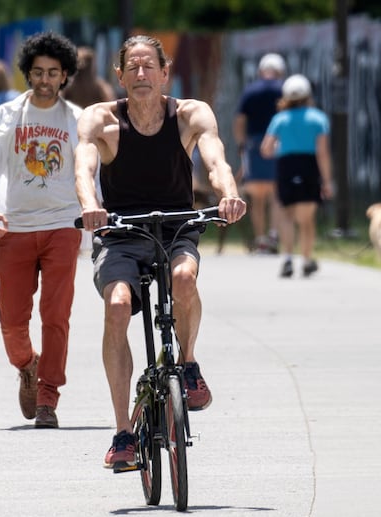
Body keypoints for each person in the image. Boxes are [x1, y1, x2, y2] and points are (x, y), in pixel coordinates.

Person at [75, 35, 246, 471]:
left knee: (184, 278)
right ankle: (122, 434)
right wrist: (90, 206)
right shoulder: (102, 119)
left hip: (176, 228)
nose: (141, 74)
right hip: (121, 232)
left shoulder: (190, 114)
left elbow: (216, 160)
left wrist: (228, 194)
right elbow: (83, 166)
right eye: (132, 67)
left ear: (165, 72)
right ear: (119, 75)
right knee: (117, 307)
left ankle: (188, 366)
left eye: (149, 66)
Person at [0, 31, 82, 429]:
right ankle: (27, 365)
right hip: (13, 227)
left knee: (56, 315)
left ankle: (48, 398)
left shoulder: (77, 120)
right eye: (38, 72)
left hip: (62, 226)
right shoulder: (5, 116)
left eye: (53, 72)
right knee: (12, 319)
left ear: (65, 75)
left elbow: (91, 174)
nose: (45, 79)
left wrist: (95, 217)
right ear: (27, 74)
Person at [260, 74, 333, 277]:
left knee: (286, 215)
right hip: (309, 167)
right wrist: (326, 181)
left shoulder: (279, 119)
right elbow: (323, 153)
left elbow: (266, 149)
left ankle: (288, 259)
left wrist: (282, 149)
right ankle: (307, 259)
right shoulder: (318, 118)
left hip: (286, 166)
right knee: (307, 219)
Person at [234, 53, 287, 253]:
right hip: (278, 146)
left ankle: (261, 239)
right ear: (280, 71)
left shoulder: (250, 91)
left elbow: (239, 120)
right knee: (276, 194)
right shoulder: (283, 89)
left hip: (255, 145)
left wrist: (241, 144)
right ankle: (274, 235)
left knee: (257, 197)